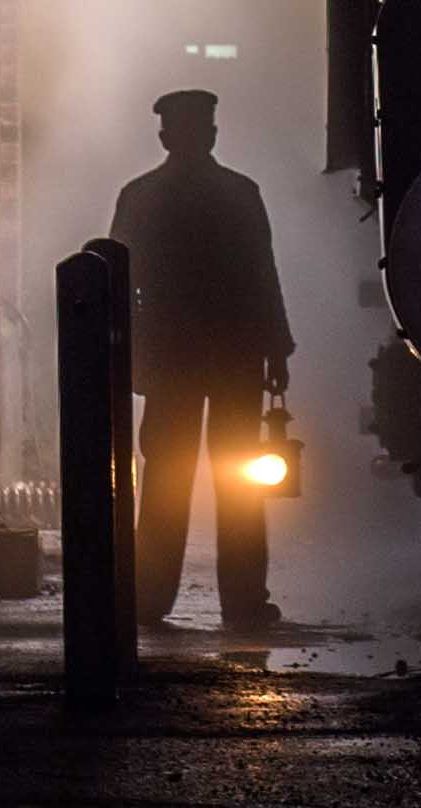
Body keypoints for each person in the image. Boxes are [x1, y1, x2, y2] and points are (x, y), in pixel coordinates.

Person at [114, 87, 291, 631]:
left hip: (170, 359)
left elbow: (121, 283)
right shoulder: (240, 193)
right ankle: (242, 601)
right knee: (239, 481)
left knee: (166, 477)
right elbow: (263, 273)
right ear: (211, 134)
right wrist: (277, 347)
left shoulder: (139, 196)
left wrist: (128, 354)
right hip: (235, 355)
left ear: (166, 135)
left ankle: (150, 597)